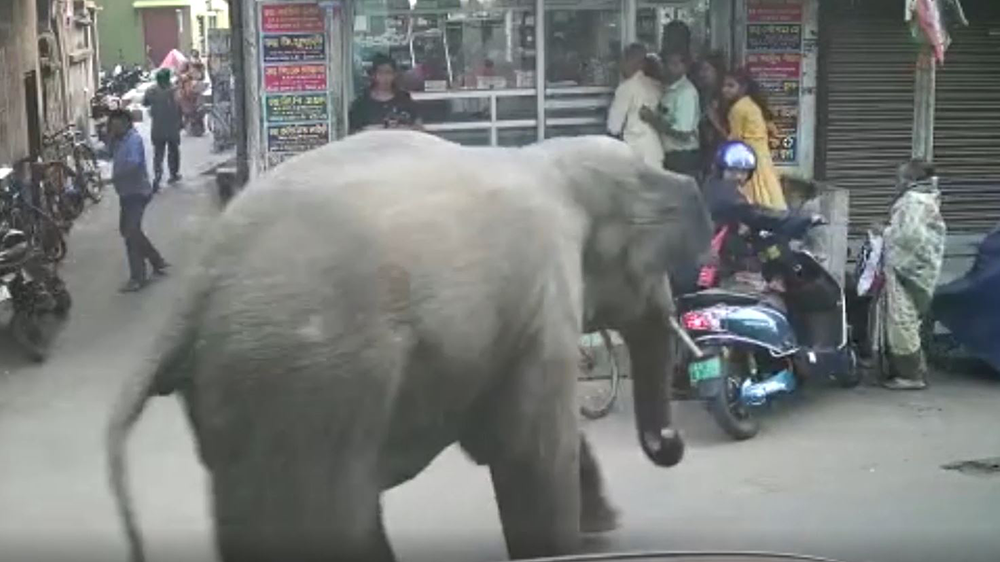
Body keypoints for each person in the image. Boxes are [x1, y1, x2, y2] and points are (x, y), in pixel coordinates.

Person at [878, 160, 947, 390]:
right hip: (921, 270)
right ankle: (915, 369)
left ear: (910, 180)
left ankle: (911, 376)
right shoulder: (927, 198)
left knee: (902, 322)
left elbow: (909, 238)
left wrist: (884, 232)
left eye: (899, 178)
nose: (896, 182)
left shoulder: (913, 202)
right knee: (910, 321)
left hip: (908, 269)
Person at [106, 109, 168, 293]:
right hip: (126, 193)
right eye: (112, 126)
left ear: (126, 124)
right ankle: (157, 260)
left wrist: (115, 176)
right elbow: (109, 154)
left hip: (137, 193)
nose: (114, 129)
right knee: (129, 230)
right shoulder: (118, 140)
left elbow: (134, 163)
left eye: (116, 125)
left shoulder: (133, 140)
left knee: (130, 233)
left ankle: (138, 278)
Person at [721, 68, 787, 211]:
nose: (725, 90)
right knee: (767, 193)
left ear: (743, 87)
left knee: (752, 197)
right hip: (761, 154)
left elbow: (735, 140)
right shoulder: (750, 104)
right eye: (724, 85)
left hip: (748, 155)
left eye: (730, 86)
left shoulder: (738, 108)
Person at [639, 51, 700, 176]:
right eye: (666, 64)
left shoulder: (685, 93)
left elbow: (683, 133)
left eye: (674, 64)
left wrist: (652, 120)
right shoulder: (668, 88)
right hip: (669, 153)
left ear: (684, 68)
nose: (667, 68)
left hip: (682, 156)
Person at [606, 43, 663, 169]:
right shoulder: (656, 85)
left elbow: (614, 127)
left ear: (628, 62)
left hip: (635, 153)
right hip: (655, 151)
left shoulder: (626, 88)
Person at [348, 54, 423, 134]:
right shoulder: (362, 103)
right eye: (381, 73)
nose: (385, 77)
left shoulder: (404, 99)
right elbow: (354, 131)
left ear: (394, 75)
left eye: (388, 72)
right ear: (373, 75)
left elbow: (418, 127)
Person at [142, 68, 182, 190]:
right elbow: (180, 106)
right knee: (173, 152)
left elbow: (145, 103)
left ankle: (158, 176)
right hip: (172, 128)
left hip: (158, 128)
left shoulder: (151, 91)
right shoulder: (174, 90)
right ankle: (173, 174)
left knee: (158, 154)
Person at [694, 51, 729, 178]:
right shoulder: (702, 93)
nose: (702, 74)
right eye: (700, 70)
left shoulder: (724, 96)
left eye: (706, 70)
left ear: (717, 71)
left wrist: (714, 120)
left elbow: (729, 132)